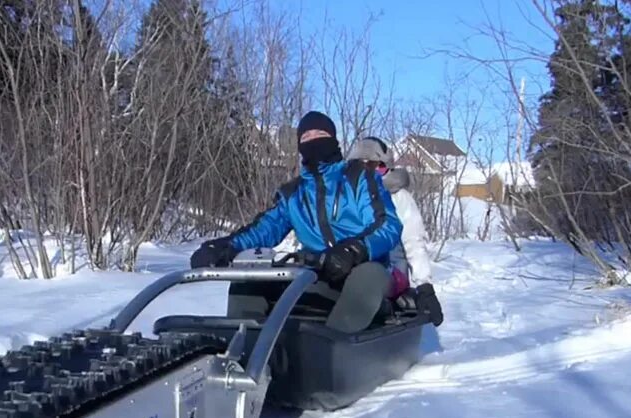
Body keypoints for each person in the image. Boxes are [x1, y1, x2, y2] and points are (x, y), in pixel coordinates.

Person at [189, 111, 404, 333]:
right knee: (249, 279)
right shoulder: (293, 193)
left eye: (319, 133)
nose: (313, 141)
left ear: (332, 138)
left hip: (367, 268)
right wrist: (226, 246)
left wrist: (354, 250)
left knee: (365, 278)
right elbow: (266, 228)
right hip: (318, 273)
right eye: (306, 137)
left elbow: (387, 224)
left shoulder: (358, 177)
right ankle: (244, 347)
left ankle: (333, 353)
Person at [346, 136, 444, 326]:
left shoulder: (399, 198)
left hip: (391, 270)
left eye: (376, 166)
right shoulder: (345, 196)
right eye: (362, 167)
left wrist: (424, 285)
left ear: (386, 169)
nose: (369, 174)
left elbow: (413, 241)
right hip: (352, 265)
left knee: (365, 280)